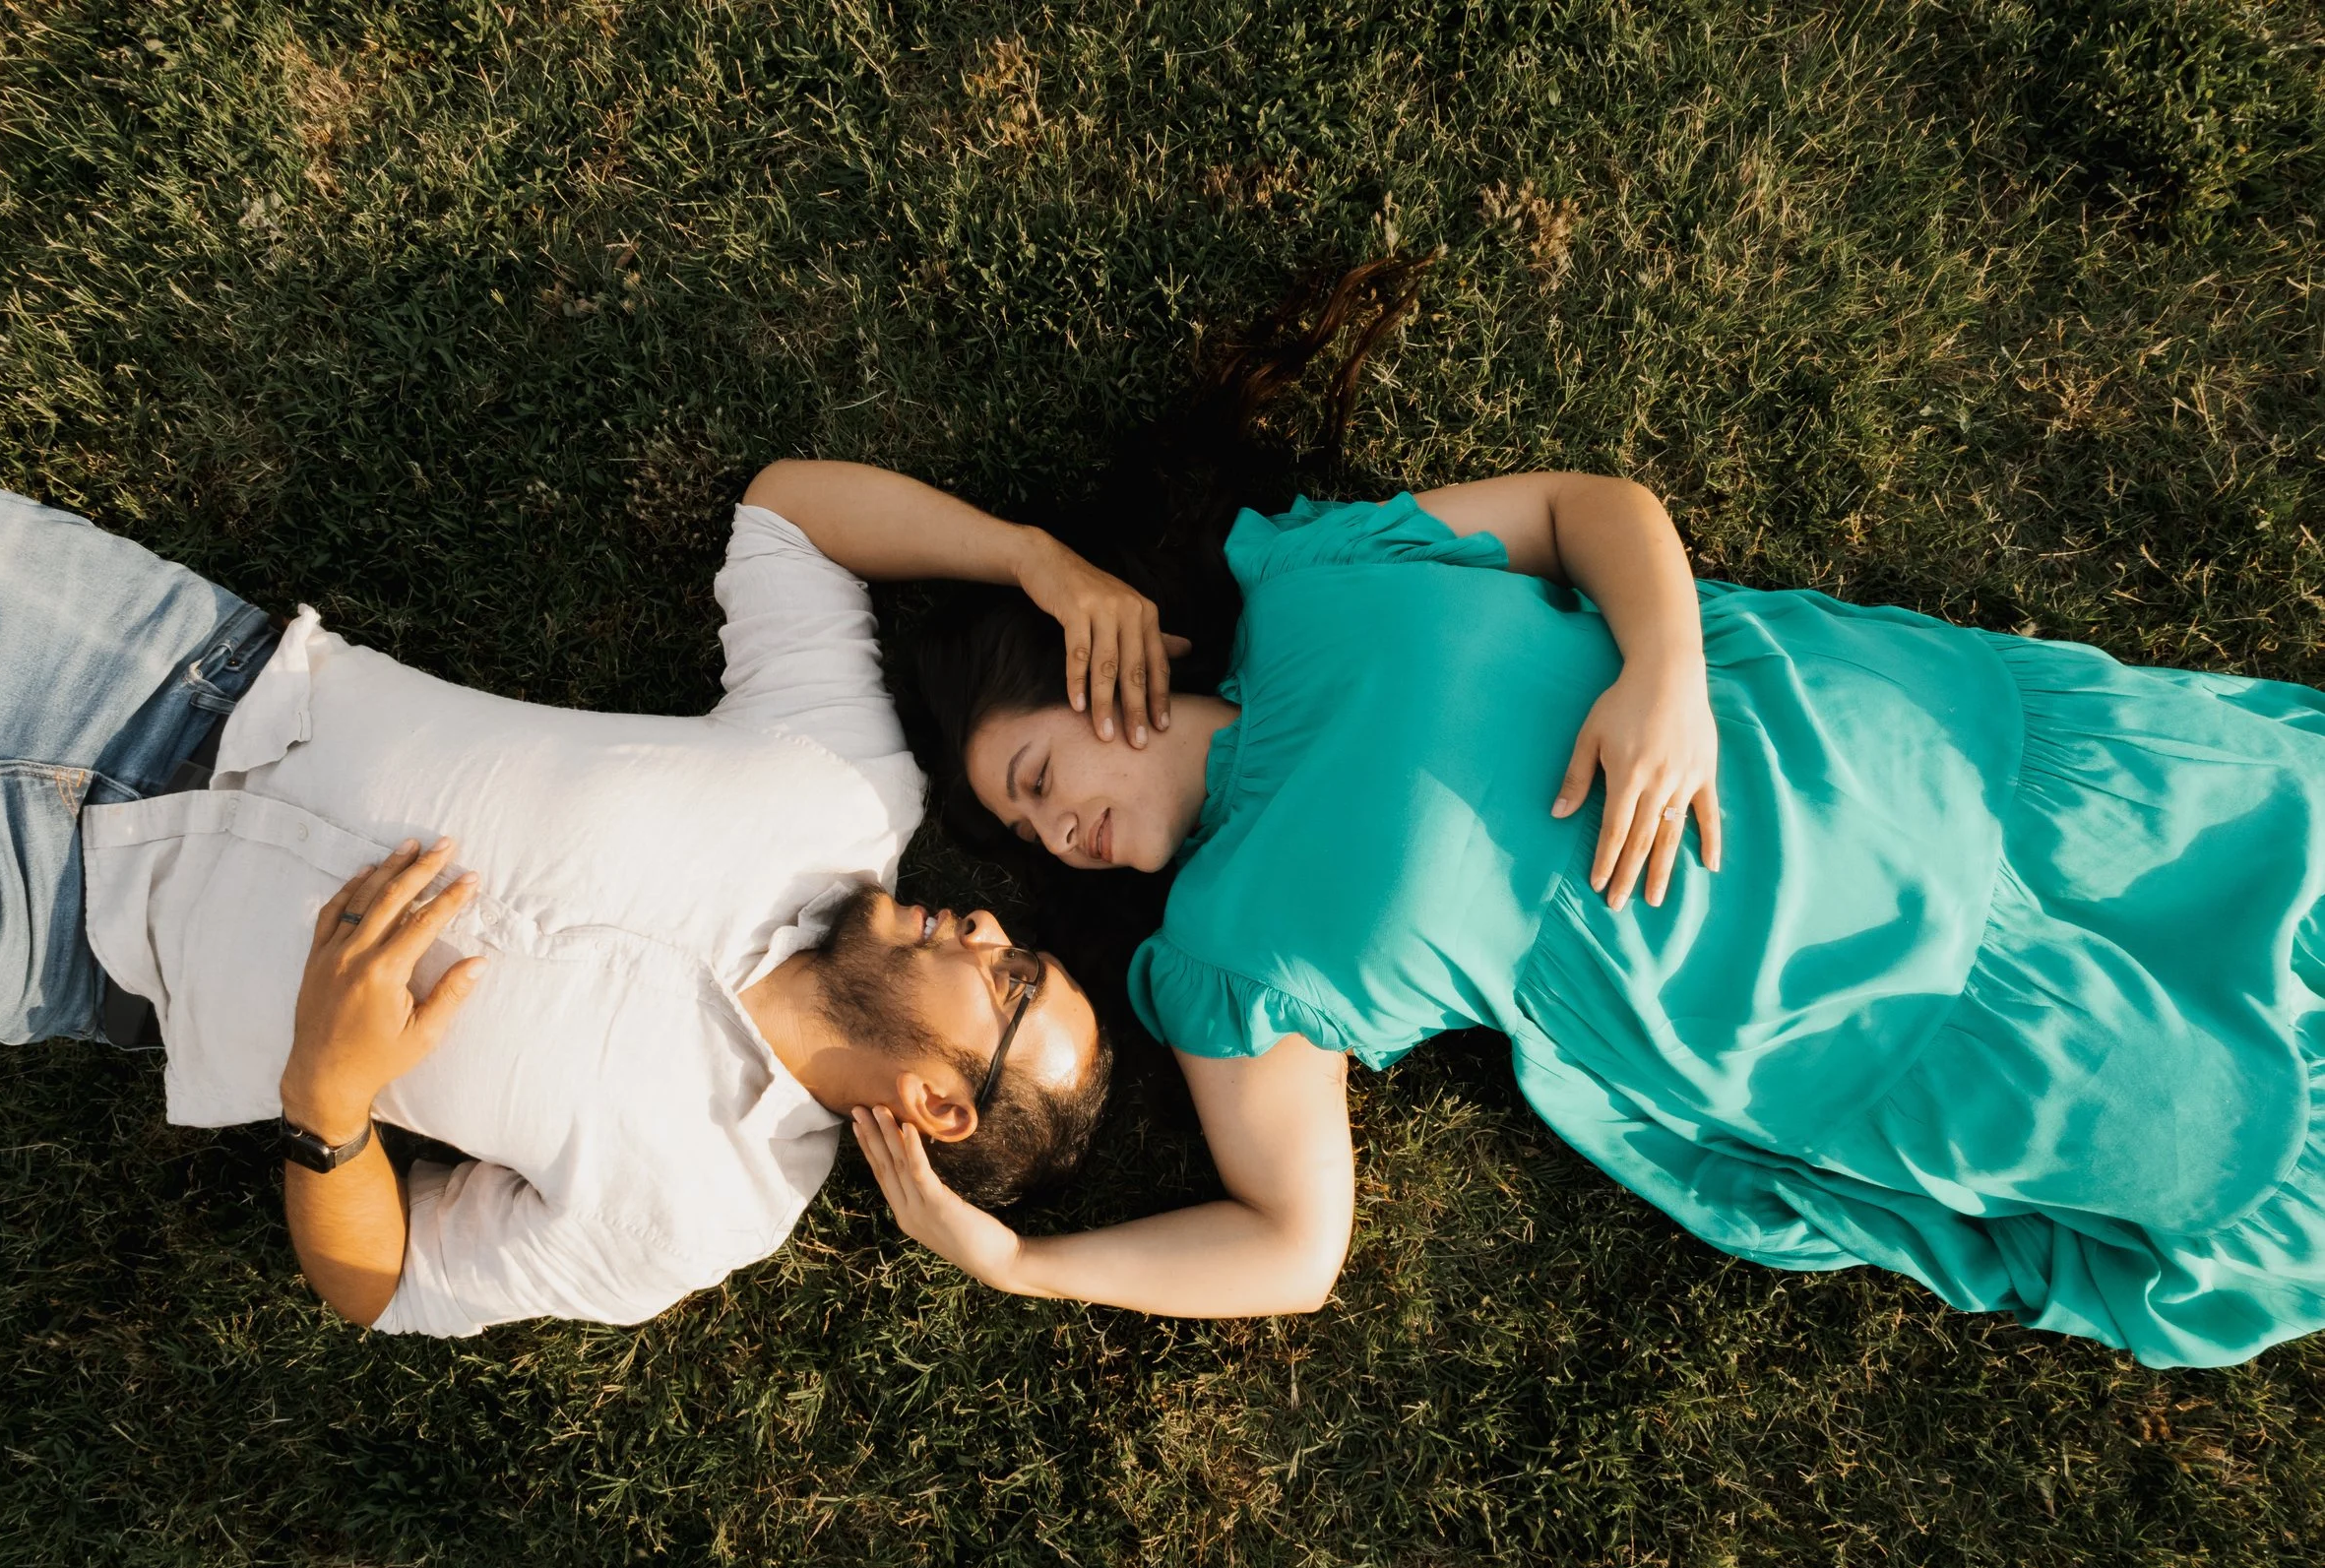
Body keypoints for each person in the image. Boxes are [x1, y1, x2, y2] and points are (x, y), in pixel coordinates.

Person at [824, 266, 2325, 1370]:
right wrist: (1022, 1263)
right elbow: (1293, 1245)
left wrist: (1663, 669)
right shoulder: (1225, 956)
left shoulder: (1316, 581)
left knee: (2268, 844)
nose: (1053, 839)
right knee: (2229, 1124)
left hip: (1877, 755)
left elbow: (1588, 508)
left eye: (1034, 782)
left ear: (1109, 670)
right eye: (1022, 841)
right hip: (1825, 1000)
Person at [0, 435, 1134, 1335]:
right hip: (158, 666)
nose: (986, 923)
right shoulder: (853, 794)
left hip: (63, 939)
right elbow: (789, 517)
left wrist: (330, 1102)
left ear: (939, 1107)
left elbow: (389, 1283)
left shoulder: (702, 1213)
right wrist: (1036, 559)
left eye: (1011, 977)